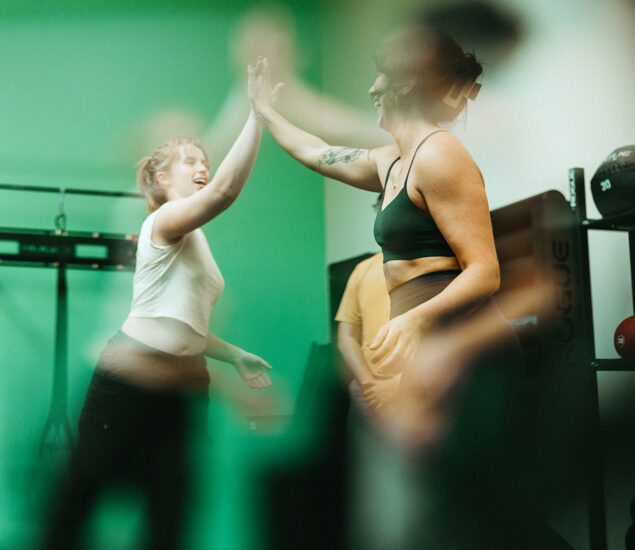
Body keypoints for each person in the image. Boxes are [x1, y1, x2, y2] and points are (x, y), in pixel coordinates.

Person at [247, 30, 569, 548]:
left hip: (461, 352)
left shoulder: (441, 156)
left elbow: (484, 270)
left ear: (404, 83)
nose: (372, 88)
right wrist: (264, 111)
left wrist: (416, 319)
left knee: (472, 516)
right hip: (423, 352)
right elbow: (318, 151)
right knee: (425, 514)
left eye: (380, 77)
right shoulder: (390, 161)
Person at [39, 65, 274, 550]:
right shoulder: (156, 217)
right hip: (128, 388)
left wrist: (234, 361)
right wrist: (256, 113)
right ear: (159, 174)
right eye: (184, 156)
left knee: (169, 520)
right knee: (73, 515)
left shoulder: (193, 238)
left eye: (201, 155)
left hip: (178, 397)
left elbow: (182, 331)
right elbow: (224, 188)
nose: (200, 161)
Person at [335, 252, 398, 415]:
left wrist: (399, 383)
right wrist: (368, 385)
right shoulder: (363, 268)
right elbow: (346, 337)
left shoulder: (435, 262)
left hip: (419, 387)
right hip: (368, 390)